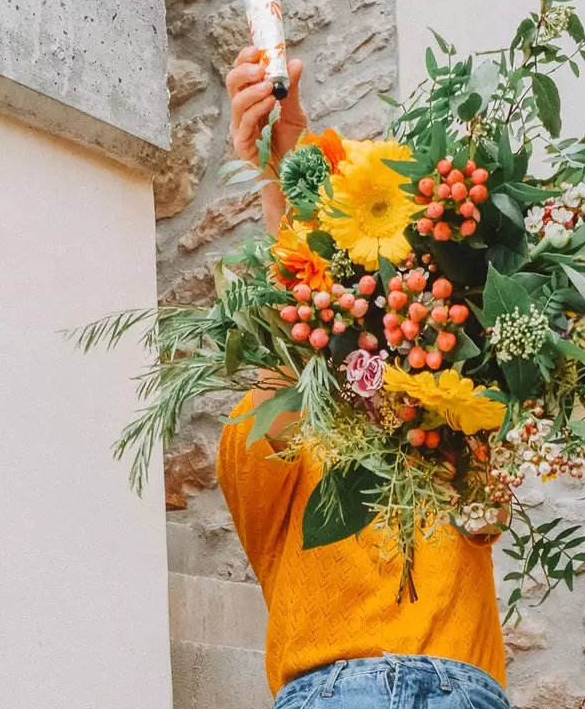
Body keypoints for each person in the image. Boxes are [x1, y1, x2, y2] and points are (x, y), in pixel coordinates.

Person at [217, 46, 513, 709]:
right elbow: (305, 307)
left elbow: (487, 507)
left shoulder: (457, 415)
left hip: (458, 689)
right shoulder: (266, 418)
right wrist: (283, 165)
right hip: (336, 689)